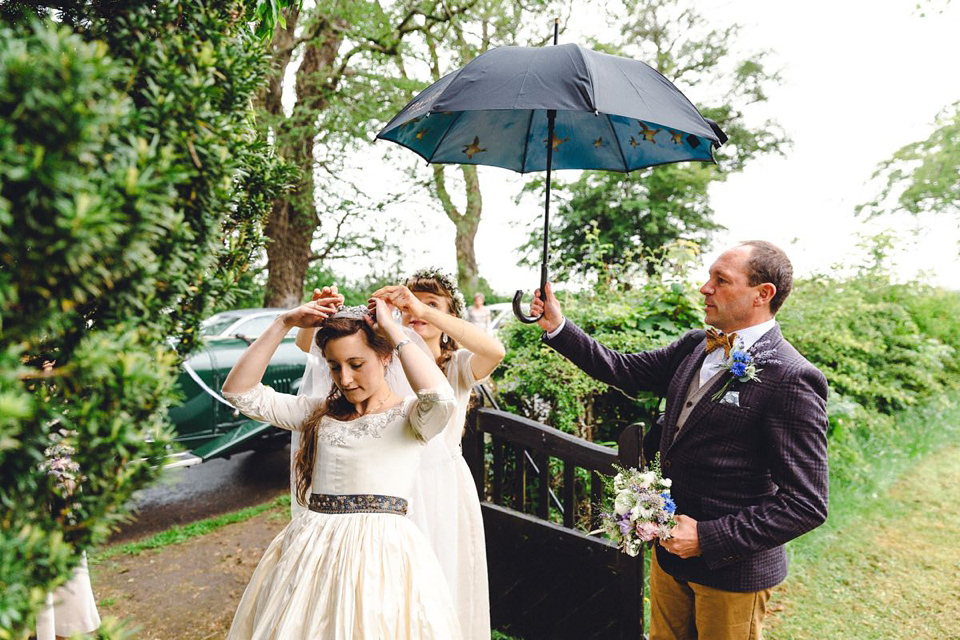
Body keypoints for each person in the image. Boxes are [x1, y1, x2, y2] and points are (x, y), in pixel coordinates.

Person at [530, 240, 829, 640]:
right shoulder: (696, 344)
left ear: (763, 294)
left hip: (731, 572)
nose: (705, 288)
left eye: (720, 280)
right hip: (669, 558)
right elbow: (623, 370)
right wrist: (559, 328)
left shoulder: (792, 377)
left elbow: (806, 504)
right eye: (709, 277)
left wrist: (706, 538)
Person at [221, 296, 463, 639]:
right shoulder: (317, 412)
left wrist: (393, 330)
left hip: (382, 559)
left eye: (356, 363)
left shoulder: (412, 417)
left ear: (385, 357)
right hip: (312, 556)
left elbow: (440, 398)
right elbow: (239, 392)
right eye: (334, 366)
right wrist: (284, 322)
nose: (345, 379)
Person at [371, 269, 505, 640]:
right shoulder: (387, 360)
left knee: (444, 572)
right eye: (410, 302)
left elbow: (495, 350)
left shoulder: (458, 366)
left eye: (432, 304)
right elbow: (312, 351)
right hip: (396, 482)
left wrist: (421, 309)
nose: (417, 310)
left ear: (447, 317)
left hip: (444, 485)